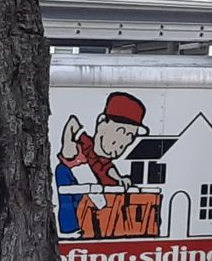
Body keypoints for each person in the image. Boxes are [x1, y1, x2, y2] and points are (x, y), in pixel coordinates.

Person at [56, 91, 149, 237]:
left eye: (127, 139)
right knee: (71, 196)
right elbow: (72, 124)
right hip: (77, 182)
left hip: (99, 203)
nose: (118, 147)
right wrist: (68, 140)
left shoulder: (105, 163)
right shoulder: (83, 147)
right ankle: (70, 229)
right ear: (101, 122)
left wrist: (120, 179)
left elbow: (109, 170)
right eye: (118, 134)